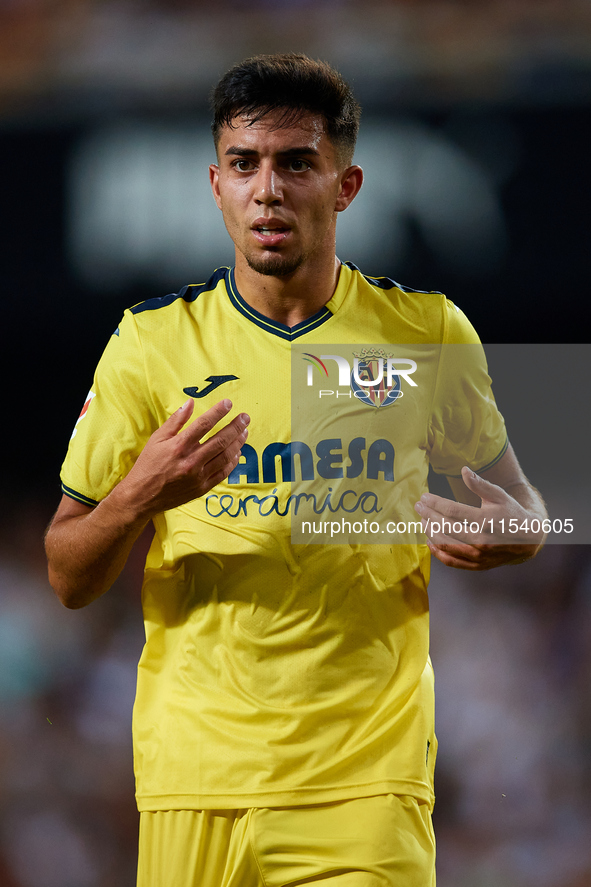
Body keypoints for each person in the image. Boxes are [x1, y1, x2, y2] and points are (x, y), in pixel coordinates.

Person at [45, 53, 546, 887]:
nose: (267, 190)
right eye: (244, 165)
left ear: (345, 186)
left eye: (295, 164)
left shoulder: (428, 331)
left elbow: (532, 504)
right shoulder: (150, 344)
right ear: (215, 184)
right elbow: (67, 574)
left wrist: (518, 533)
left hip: (364, 779)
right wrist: (141, 495)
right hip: (194, 776)